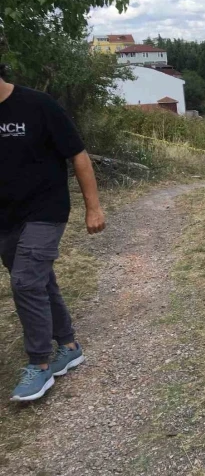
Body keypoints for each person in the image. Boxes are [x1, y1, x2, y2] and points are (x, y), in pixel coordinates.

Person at [0, 64, 106, 401]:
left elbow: (78, 155)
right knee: (39, 279)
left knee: (25, 281)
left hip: (46, 210)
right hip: (6, 217)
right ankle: (69, 345)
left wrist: (94, 207)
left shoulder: (37, 105)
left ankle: (39, 364)